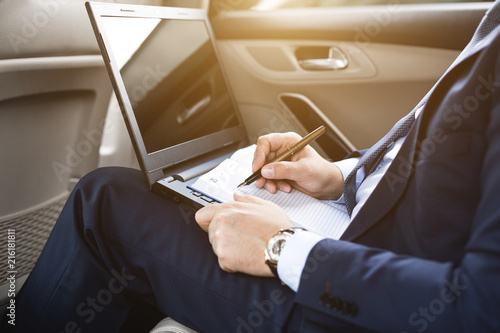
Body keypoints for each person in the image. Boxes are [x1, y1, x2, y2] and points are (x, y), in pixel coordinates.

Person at [4, 2, 500, 332]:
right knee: (170, 200)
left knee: (105, 199)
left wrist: (281, 246)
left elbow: (479, 309)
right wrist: (341, 179)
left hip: (359, 304)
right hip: (368, 241)